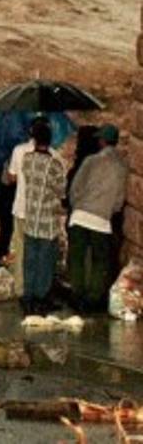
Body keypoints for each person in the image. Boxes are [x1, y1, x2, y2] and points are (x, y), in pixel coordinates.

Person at [67, 125, 128, 313]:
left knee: (77, 259)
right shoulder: (122, 167)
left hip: (80, 215)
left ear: (102, 141)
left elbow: (75, 188)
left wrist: (77, 205)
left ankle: (78, 297)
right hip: (102, 220)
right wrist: (109, 210)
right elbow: (119, 200)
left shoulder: (91, 161)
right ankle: (93, 300)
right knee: (100, 262)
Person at [17, 121, 66, 315]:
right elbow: (61, 190)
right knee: (45, 263)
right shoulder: (54, 164)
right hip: (47, 220)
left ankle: (28, 297)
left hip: (31, 218)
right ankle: (41, 298)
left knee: (30, 260)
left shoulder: (27, 159)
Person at [3, 117, 51, 294]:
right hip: (42, 212)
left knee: (22, 249)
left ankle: (21, 287)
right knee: (41, 252)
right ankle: (39, 289)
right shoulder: (54, 154)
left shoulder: (19, 150)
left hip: (22, 208)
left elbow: (12, 177)